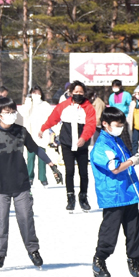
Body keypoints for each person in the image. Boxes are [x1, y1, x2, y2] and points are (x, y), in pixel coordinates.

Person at [0, 97, 63, 269]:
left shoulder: (21, 131)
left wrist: (52, 165)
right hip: (1, 185)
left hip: (21, 184)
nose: (11, 115)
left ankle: (33, 251)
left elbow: (36, 148)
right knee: (1, 221)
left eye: (13, 112)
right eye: (7, 113)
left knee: (26, 218)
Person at [90, 107, 139, 277]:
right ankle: (99, 260)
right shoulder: (102, 146)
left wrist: (134, 160)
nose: (120, 128)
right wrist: (133, 160)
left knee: (134, 231)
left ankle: (135, 263)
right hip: (113, 196)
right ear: (105, 124)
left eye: (122, 125)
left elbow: (125, 164)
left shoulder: (117, 141)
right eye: (117, 125)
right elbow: (115, 167)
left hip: (129, 193)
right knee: (110, 232)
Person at [40, 81, 96, 212]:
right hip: (67, 142)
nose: (78, 94)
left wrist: (84, 138)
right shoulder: (64, 105)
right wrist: (43, 128)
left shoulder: (88, 107)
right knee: (69, 171)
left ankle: (83, 197)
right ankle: (70, 198)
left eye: (81, 92)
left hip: (82, 144)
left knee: (83, 172)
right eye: (76, 92)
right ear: (71, 93)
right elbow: (53, 118)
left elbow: (91, 125)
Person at [21, 86, 54, 188]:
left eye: (38, 93)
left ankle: (43, 178)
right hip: (31, 134)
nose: (36, 95)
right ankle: (29, 177)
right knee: (30, 157)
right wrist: (28, 101)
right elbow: (24, 113)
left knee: (42, 157)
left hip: (42, 134)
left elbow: (51, 118)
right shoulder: (29, 104)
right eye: (33, 93)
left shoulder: (45, 105)